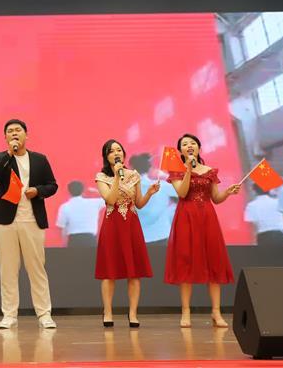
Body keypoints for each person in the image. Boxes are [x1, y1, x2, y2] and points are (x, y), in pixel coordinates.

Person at [0, 119, 59, 329]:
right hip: (5, 220)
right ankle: (9, 315)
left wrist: (37, 191)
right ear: (5, 137)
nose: (14, 133)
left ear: (26, 135)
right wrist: (9, 154)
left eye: (18, 130)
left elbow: (52, 185)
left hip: (32, 220)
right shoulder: (0, 158)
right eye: (10, 131)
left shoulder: (39, 159)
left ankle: (44, 314)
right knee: (8, 270)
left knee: (37, 269)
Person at [164, 134, 241, 328]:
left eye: (192, 143)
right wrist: (188, 170)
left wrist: (228, 192)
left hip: (207, 218)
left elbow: (216, 198)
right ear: (180, 151)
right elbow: (182, 193)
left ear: (199, 147)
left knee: (213, 261)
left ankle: (216, 312)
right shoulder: (176, 171)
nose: (189, 146)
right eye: (185, 144)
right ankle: (186, 312)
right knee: (185, 262)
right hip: (186, 217)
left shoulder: (210, 171)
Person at [95, 139, 159, 328]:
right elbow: (110, 199)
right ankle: (108, 312)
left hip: (131, 226)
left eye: (119, 150)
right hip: (112, 226)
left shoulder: (134, 175)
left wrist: (149, 193)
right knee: (109, 272)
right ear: (106, 156)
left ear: (124, 154)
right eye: (112, 151)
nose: (116, 153)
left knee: (134, 273)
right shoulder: (101, 177)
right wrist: (116, 176)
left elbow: (138, 203)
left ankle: (132, 313)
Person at [129, 153, 177, 245]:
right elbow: (185, 192)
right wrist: (166, 176)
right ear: (149, 168)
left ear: (132, 169)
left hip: (138, 238)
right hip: (162, 236)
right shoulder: (162, 186)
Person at [55, 181, 105, 247]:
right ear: (83, 191)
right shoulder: (93, 203)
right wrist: (96, 191)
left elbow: (62, 228)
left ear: (69, 192)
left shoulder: (65, 207)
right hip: (90, 240)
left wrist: (64, 245)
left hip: (74, 241)